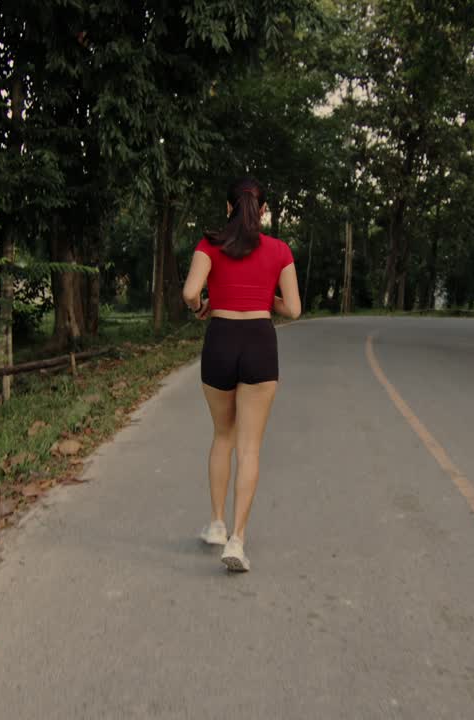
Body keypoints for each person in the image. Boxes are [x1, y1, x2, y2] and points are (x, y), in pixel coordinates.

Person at [181, 177, 301, 572]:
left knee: (223, 436)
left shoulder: (209, 244)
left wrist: (201, 305)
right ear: (262, 211)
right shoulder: (280, 250)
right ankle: (237, 539)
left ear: (228, 207)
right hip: (259, 343)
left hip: (220, 339)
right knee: (250, 447)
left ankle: (217, 523)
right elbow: (294, 310)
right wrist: (266, 295)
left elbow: (190, 293)